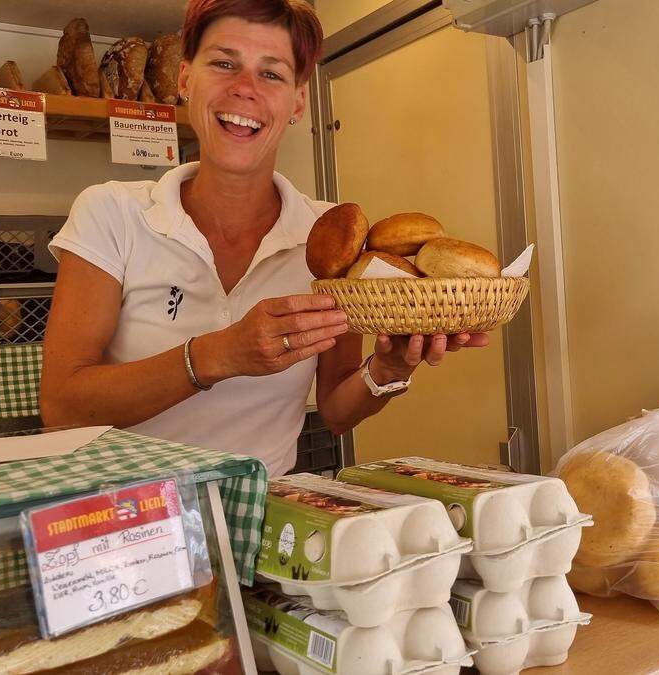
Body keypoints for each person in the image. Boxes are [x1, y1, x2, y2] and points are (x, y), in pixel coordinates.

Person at [40, 0, 487, 475]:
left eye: (271, 74)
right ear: (186, 79)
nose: (244, 89)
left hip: (266, 524)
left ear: (298, 101)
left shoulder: (329, 238)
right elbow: (63, 406)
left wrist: (389, 371)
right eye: (224, 63)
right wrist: (220, 354)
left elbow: (336, 411)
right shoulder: (112, 212)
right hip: (130, 522)